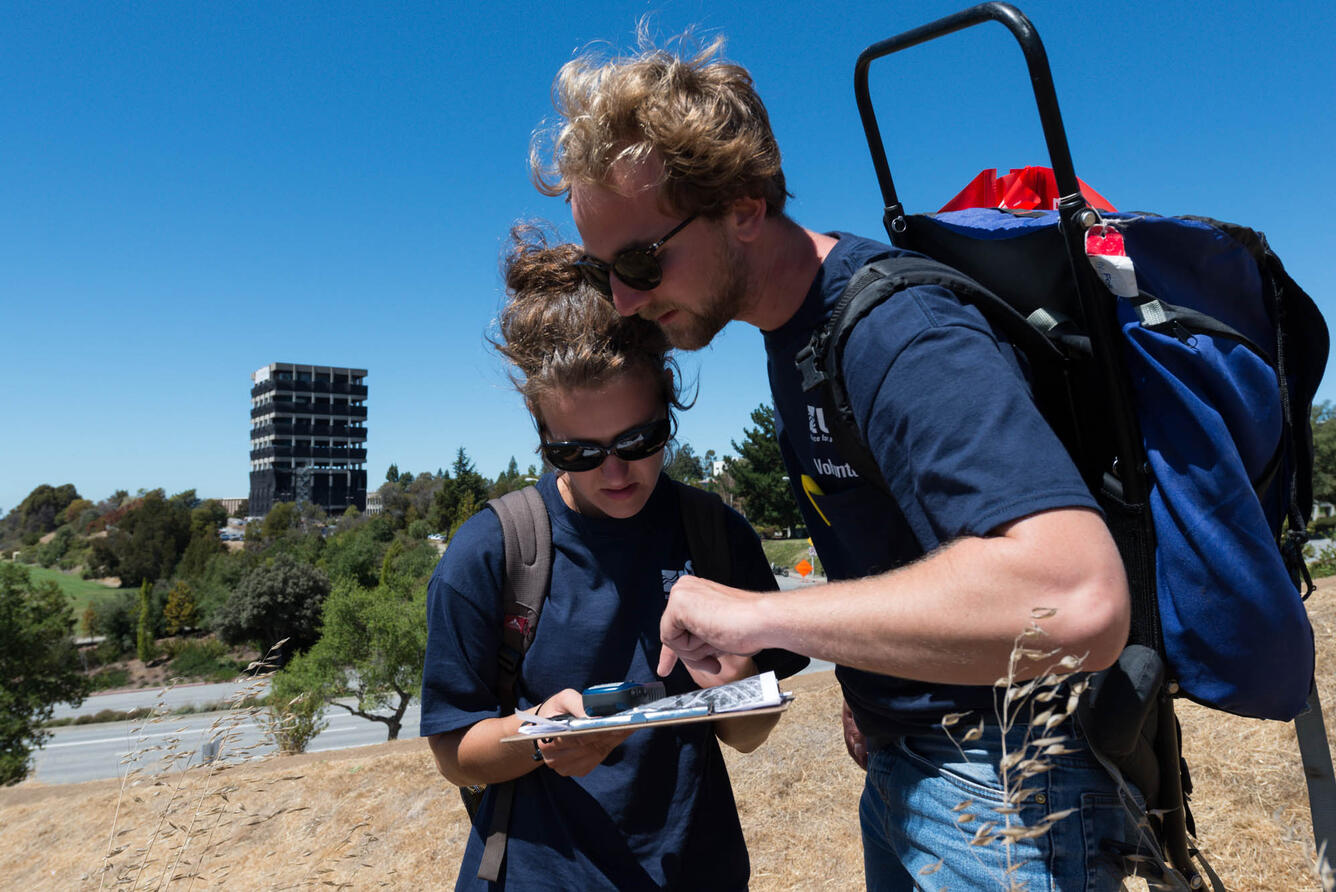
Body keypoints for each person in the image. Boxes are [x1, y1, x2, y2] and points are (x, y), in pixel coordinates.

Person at [532, 36, 1141, 891]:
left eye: (639, 262)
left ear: (744, 205)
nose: (625, 302)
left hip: (1003, 794)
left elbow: (1078, 602)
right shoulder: (794, 334)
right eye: (606, 275)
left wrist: (762, 618)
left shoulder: (900, 332)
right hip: (912, 769)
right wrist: (869, 687)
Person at [420, 228, 804, 890]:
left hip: (696, 870)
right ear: (543, 437)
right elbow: (456, 755)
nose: (616, 472)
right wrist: (540, 731)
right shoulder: (491, 551)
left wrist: (733, 674)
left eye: (640, 439)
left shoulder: (714, 535)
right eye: (580, 452)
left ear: (669, 405)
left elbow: (749, 733)